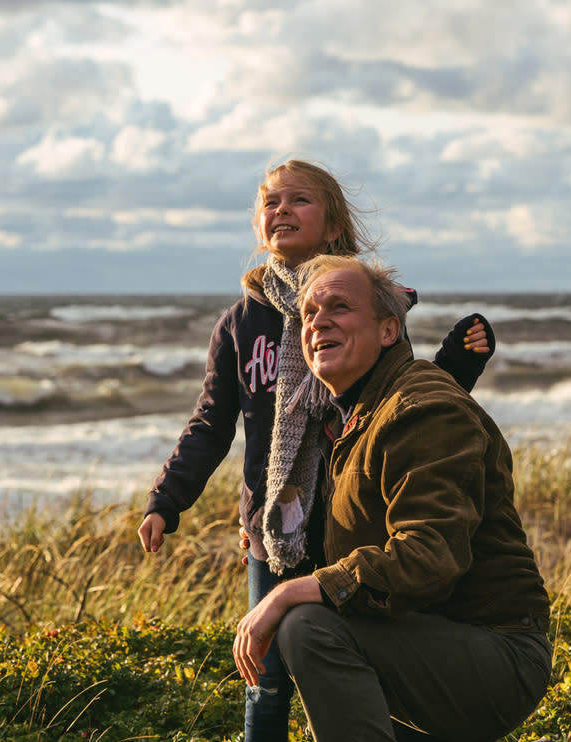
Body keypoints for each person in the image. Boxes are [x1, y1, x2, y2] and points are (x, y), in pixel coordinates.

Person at [138, 159, 495, 742]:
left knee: (346, 657)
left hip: (349, 518)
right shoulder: (239, 323)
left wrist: (453, 371)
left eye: (298, 200)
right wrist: (166, 499)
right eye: (271, 202)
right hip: (272, 526)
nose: (281, 210)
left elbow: (400, 403)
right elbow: (211, 422)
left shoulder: (363, 306)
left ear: (333, 224)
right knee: (266, 673)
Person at [232, 255, 551, 742]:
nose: (319, 322)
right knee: (311, 617)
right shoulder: (354, 420)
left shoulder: (421, 407)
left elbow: (430, 555)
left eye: (339, 307)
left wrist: (292, 591)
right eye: (309, 313)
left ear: (388, 331)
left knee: (307, 626)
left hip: (496, 652)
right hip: (422, 635)